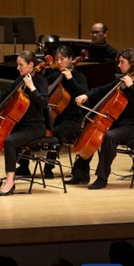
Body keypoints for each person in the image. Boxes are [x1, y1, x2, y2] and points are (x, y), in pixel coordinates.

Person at [0, 50, 49, 196]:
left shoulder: (40, 81)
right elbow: (6, 95)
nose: (18, 68)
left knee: (10, 141)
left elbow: (43, 103)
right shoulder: (19, 80)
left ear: (31, 65)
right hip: (19, 125)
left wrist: (32, 88)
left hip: (35, 126)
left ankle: (10, 181)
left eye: (21, 65)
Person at [72, 48, 134, 189]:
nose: (119, 65)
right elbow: (103, 89)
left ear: (132, 63)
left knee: (109, 136)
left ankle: (102, 178)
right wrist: (87, 95)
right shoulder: (122, 79)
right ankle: (80, 173)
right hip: (121, 123)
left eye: (122, 62)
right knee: (93, 129)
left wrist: (131, 86)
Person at [43, 46, 88, 180]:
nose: (59, 62)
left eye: (62, 58)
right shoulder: (55, 76)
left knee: (57, 132)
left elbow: (83, 94)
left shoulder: (79, 76)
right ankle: (23, 165)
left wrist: (70, 79)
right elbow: (42, 86)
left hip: (73, 118)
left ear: (70, 59)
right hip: (56, 116)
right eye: (57, 59)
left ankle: (48, 166)